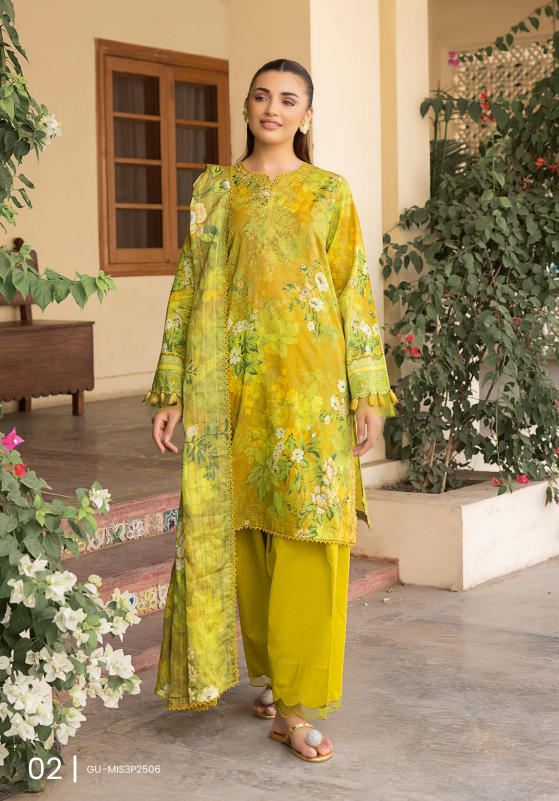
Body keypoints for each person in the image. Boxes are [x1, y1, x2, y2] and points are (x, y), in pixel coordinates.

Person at [143, 58, 396, 764]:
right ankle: (275, 677)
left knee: (309, 535)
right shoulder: (216, 189)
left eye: (288, 99)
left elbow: (352, 293)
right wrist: (172, 390)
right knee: (247, 537)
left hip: (313, 392)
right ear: (246, 107)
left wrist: (367, 392)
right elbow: (188, 287)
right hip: (233, 389)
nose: (272, 108)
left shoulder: (329, 192)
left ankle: (294, 706)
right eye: (261, 96)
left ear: (307, 115)